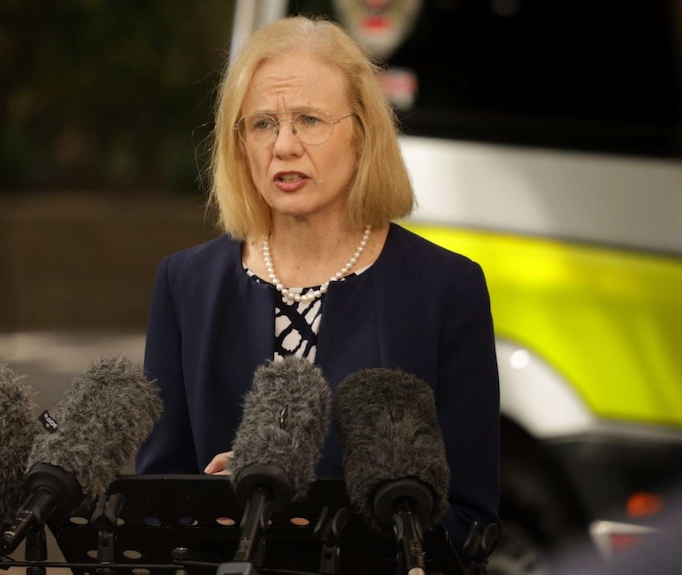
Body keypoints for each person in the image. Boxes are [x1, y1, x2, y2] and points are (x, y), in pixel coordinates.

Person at [135, 14, 500, 561]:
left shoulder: (447, 289)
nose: (283, 146)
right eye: (262, 124)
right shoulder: (185, 284)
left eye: (308, 120)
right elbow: (155, 504)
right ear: (239, 145)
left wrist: (317, 517)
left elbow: (470, 524)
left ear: (363, 133)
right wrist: (213, 507)